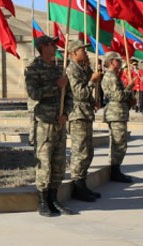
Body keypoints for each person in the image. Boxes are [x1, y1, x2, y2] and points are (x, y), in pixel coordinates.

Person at [25, 35, 73, 217]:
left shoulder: (59, 69)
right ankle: (43, 202)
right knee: (44, 163)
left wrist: (66, 114)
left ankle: (54, 199)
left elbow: (69, 95)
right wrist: (55, 86)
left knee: (59, 163)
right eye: (52, 44)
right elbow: (34, 94)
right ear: (43, 47)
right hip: (44, 123)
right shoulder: (33, 69)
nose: (55, 47)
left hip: (59, 122)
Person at [65, 40, 102, 202]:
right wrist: (92, 80)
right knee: (80, 151)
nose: (86, 53)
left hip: (85, 114)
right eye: (82, 50)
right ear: (74, 53)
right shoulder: (71, 70)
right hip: (77, 115)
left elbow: (88, 93)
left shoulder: (82, 68)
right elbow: (79, 93)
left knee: (88, 151)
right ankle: (77, 186)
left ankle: (82, 183)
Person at [101, 51, 134, 183]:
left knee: (119, 142)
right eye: (118, 60)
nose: (120, 63)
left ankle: (116, 169)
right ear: (111, 62)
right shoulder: (111, 76)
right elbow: (118, 96)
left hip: (118, 112)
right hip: (116, 113)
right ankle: (115, 171)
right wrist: (129, 89)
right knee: (118, 142)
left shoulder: (114, 75)